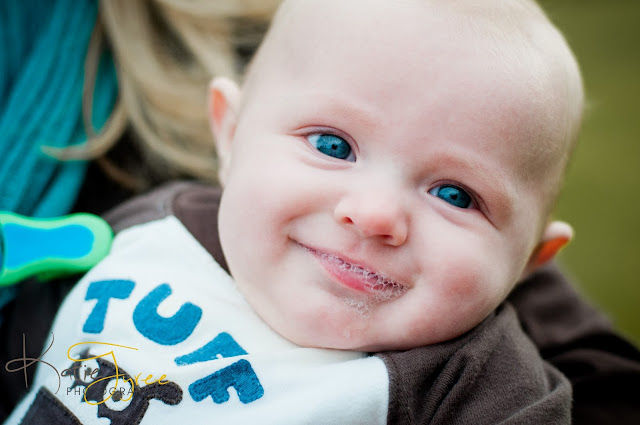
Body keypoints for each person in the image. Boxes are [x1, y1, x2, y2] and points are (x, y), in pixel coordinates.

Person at [1, 0, 639, 424]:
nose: (373, 214)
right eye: (333, 147)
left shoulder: (473, 388)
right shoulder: (147, 234)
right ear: (229, 133)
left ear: (530, 262)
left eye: (454, 195)